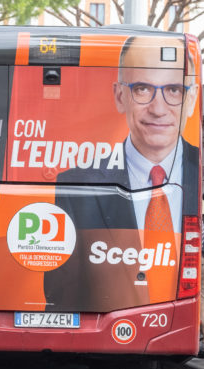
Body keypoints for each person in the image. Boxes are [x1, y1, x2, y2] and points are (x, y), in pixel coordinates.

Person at [44, 36, 200, 312]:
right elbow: (62, 303)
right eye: (142, 88)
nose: (158, 109)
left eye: (174, 90)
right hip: (112, 339)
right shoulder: (77, 185)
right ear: (119, 96)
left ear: (192, 98)